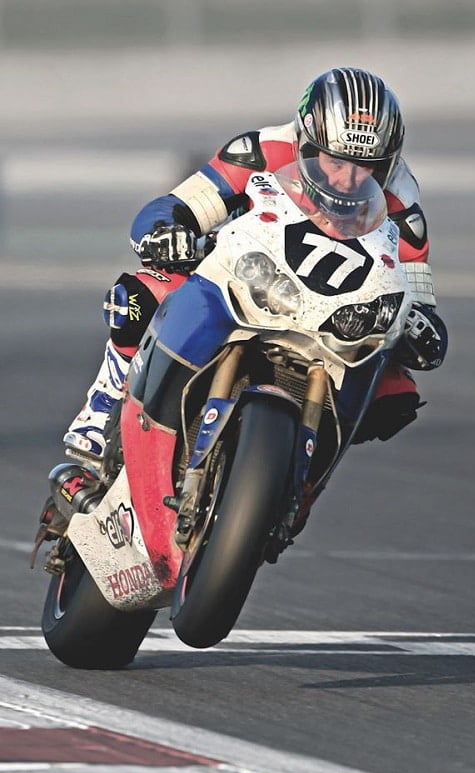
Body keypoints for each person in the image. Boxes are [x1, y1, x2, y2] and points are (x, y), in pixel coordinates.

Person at [63, 67, 448, 499]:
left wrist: (422, 330)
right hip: (242, 281)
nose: (347, 180)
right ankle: (96, 429)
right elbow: (173, 207)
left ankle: (297, 489)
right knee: (140, 295)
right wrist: (167, 233)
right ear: (307, 141)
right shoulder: (259, 150)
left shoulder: (402, 200)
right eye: (336, 161)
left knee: (395, 392)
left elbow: (415, 293)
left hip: (330, 318)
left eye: (366, 167)